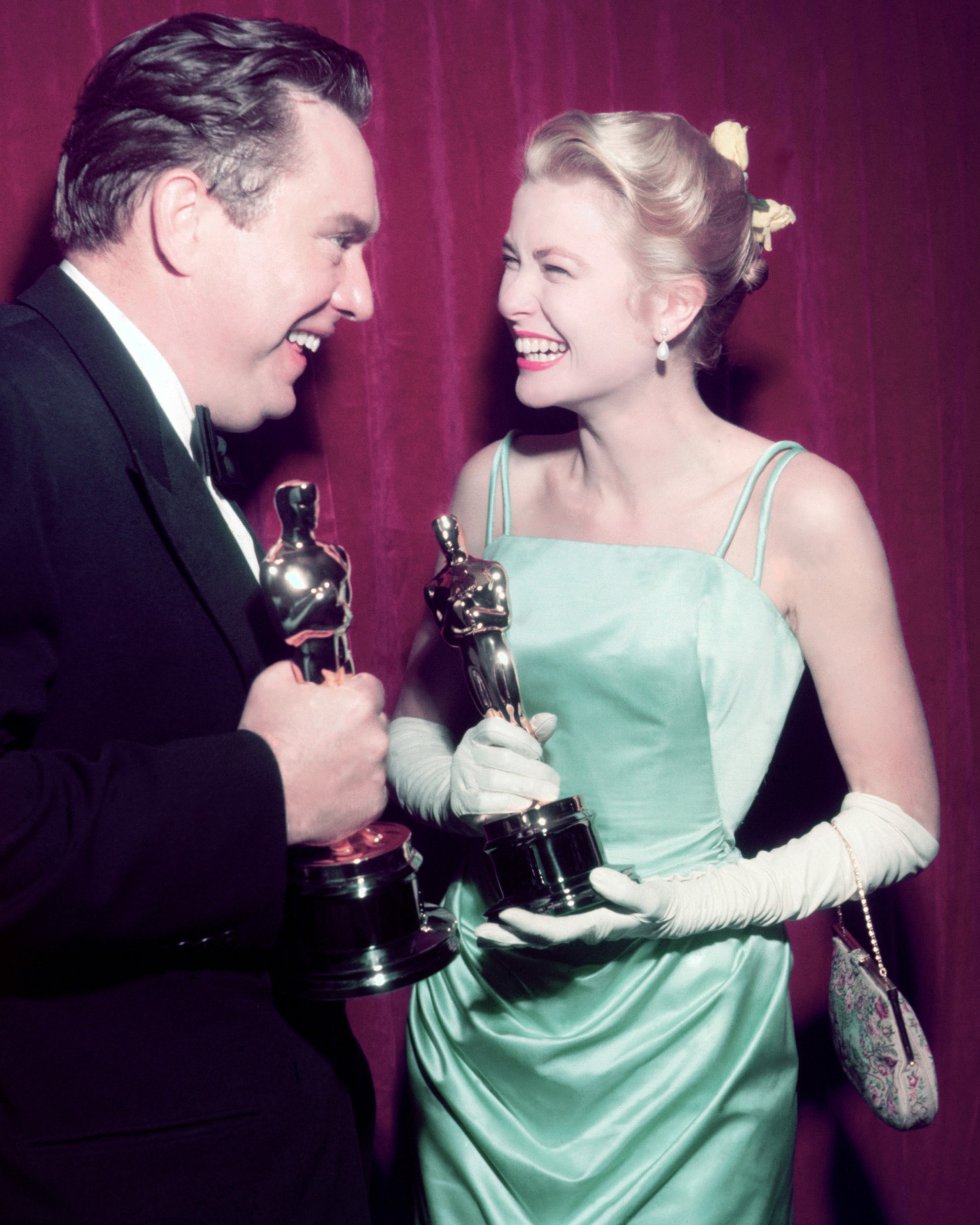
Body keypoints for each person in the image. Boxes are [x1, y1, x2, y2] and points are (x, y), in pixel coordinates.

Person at [387, 110, 939, 1224]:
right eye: (507, 258)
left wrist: (675, 909)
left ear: (670, 305)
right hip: (480, 1022)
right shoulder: (488, 485)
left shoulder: (799, 505)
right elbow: (411, 728)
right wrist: (454, 781)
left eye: (553, 268)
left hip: (687, 1054)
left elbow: (899, 818)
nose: (507, 301)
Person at [0, 14, 388, 1225]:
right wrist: (264, 789)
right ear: (184, 217)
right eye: (336, 241)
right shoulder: (17, 407)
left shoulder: (154, 426)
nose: (361, 297)